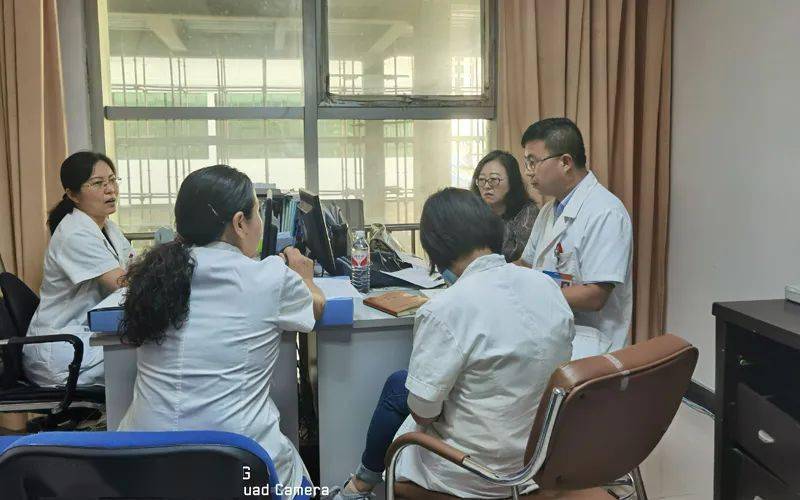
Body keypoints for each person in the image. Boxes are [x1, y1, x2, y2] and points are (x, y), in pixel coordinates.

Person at [331, 188, 574, 499]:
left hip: (474, 473)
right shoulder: (546, 286)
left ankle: (358, 487)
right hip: (538, 460)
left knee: (405, 391)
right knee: (401, 384)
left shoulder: (445, 309)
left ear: (437, 247)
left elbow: (423, 413)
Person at [117, 165, 325, 492]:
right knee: (300, 481)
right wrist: (306, 277)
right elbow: (316, 306)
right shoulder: (269, 277)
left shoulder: (154, 276)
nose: (261, 225)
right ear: (240, 223)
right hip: (234, 466)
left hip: (142, 465)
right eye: (258, 215)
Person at [518, 117, 633, 359]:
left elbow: (595, 295)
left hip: (591, 347)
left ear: (565, 162)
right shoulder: (550, 210)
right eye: (526, 162)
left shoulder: (605, 213)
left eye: (533, 162)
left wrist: (531, 295)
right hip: (554, 336)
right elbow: (526, 264)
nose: (528, 172)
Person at [25, 151, 133, 387]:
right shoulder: (75, 234)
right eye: (98, 183)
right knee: (145, 358)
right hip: (63, 349)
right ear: (72, 194)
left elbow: (131, 269)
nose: (110, 189)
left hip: (84, 336)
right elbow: (122, 282)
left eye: (113, 180)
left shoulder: (108, 228)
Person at [470, 150, 539, 262]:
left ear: (512, 181)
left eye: (493, 180)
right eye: (481, 180)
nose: (487, 186)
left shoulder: (527, 213)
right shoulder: (472, 213)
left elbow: (525, 260)